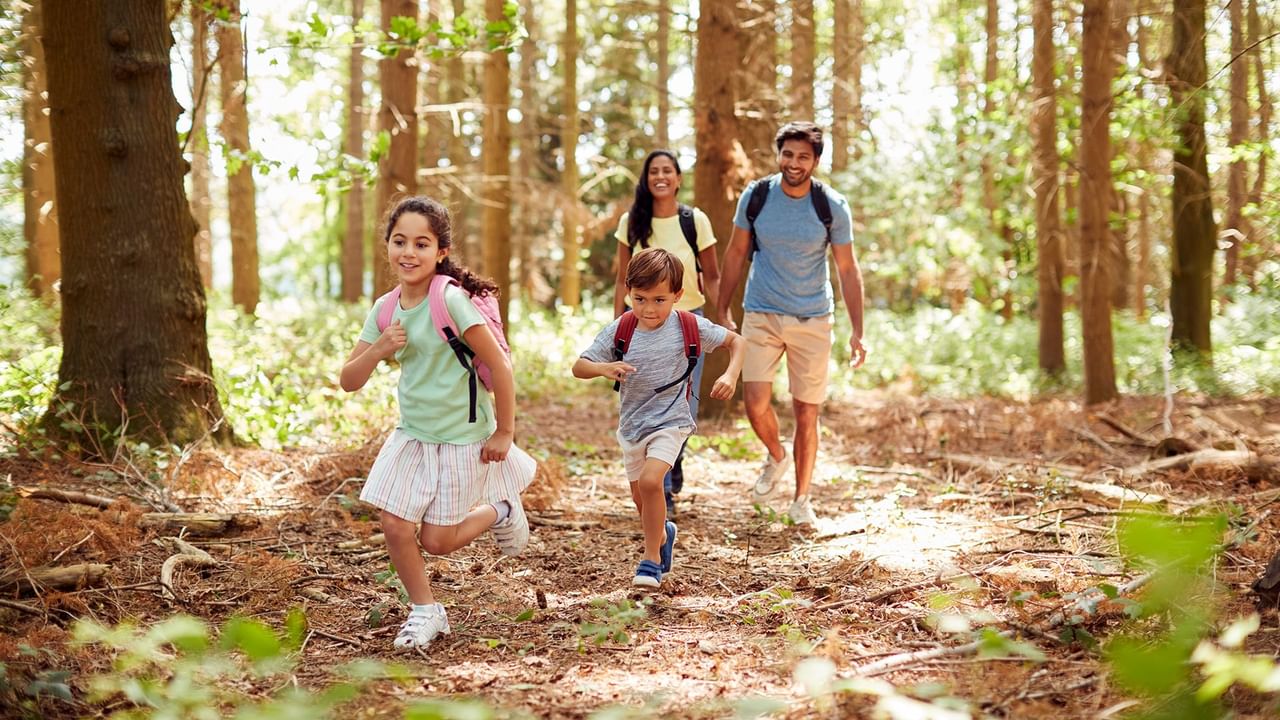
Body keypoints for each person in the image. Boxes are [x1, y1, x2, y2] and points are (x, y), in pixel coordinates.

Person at [341, 196, 536, 649]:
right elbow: (349, 379)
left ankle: (502, 507)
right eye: (400, 241)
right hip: (411, 434)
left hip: (462, 438)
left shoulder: (449, 300)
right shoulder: (385, 308)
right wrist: (378, 349)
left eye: (421, 244)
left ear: (441, 252)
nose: (408, 252)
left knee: (439, 542)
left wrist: (504, 431)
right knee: (394, 524)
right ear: (388, 246)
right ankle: (427, 610)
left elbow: (500, 367)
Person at [715, 121, 867, 527]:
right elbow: (734, 254)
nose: (794, 163)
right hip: (761, 312)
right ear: (778, 154)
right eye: (787, 154)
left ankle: (802, 500)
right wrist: (722, 308)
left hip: (813, 319)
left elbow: (848, 270)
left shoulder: (831, 206)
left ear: (816, 161)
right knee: (755, 402)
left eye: (803, 157)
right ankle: (776, 455)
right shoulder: (758, 196)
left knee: (806, 413)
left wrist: (858, 330)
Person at [575, 248, 744, 588]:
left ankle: (650, 560)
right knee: (642, 501)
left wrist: (730, 375)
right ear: (628, 292)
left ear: (678, 296)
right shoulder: (620, 329)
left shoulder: (688, 325)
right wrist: (603, 368)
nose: (649, 309)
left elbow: (737, 342)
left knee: (653, 483)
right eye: (640, 299)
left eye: (659, 300)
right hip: (633, 427)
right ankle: (663, 534)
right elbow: (579, 366)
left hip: (672, 422)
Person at [612, 150, 722, 517]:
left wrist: (723, 316)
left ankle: (667, 475)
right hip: (641, 324)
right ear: (646, 179)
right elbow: (621, 278)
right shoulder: (632, 221)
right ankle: (658, 481)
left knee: (683, 404)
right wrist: (618, 329)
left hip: (688, 321)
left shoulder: (695, 220)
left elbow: (714, 274)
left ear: (678, 178)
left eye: (667, 171)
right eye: (653, 171)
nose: (660, 176)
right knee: (645, 403)